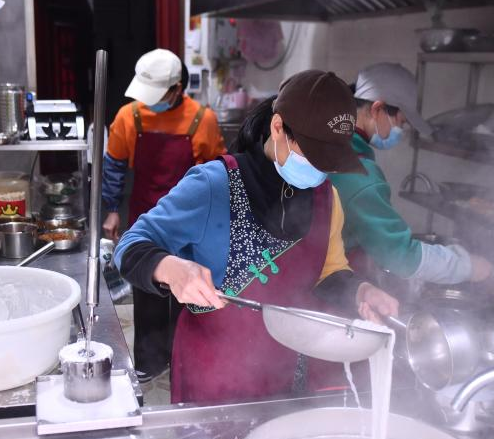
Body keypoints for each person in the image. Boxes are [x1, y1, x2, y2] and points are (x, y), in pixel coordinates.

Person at [115, 70, 400, 404]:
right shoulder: (214, 185)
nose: (320, 172)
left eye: (329, 162)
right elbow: (130, 245)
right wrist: (171, 268)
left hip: (287, 371)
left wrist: (360, 291)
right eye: (312, 155)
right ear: (278, 127)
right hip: (213, 375)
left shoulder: (327, 197)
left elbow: (330, 270)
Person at [101, 48, 225, 383]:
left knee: (191, 298)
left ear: (176, 89)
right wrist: (112, 210)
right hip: (146, 222)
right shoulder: (129, 117)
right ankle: (149, 365)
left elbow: (218, 177)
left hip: (191, 227)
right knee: (148, 296)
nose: (148, 103)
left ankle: (186, 365)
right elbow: (112, 167)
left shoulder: (203, 120)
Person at [331, 62, 491, 285]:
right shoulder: (358, 173)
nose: (400, 132)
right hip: (314, 285)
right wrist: (466, 266)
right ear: (377, 109)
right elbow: (399, 255)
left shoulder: (327, 142)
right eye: (401, 123)